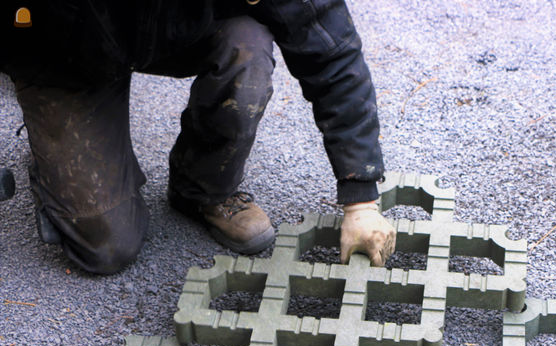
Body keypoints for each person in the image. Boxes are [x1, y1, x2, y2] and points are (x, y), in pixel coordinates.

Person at [0, 0, 396, 273]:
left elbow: (330, 47)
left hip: (176, 25)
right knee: (106, 246)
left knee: (247, 48)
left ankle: (202, 187)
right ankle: (50, 158)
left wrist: (360, 199)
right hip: (64, 52)